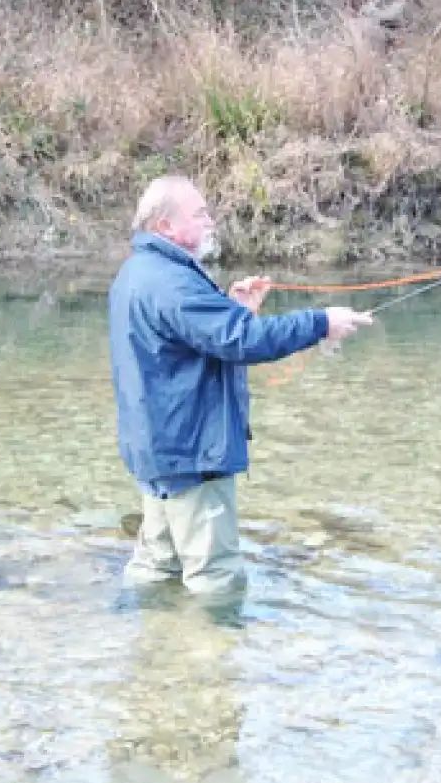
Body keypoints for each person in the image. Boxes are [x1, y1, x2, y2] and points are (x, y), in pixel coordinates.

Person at [109, 175, 373, 596]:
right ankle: (210, 658)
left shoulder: (138, 271)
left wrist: (234, 310)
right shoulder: (171, 281)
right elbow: (244, 341)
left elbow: (192, 342)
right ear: (165, 227)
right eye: (199, 214)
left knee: (157, 568)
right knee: (218, 581)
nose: (211, 220)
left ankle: (147, 652)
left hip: (158, 451)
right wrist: (321, 323)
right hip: (192, 455)